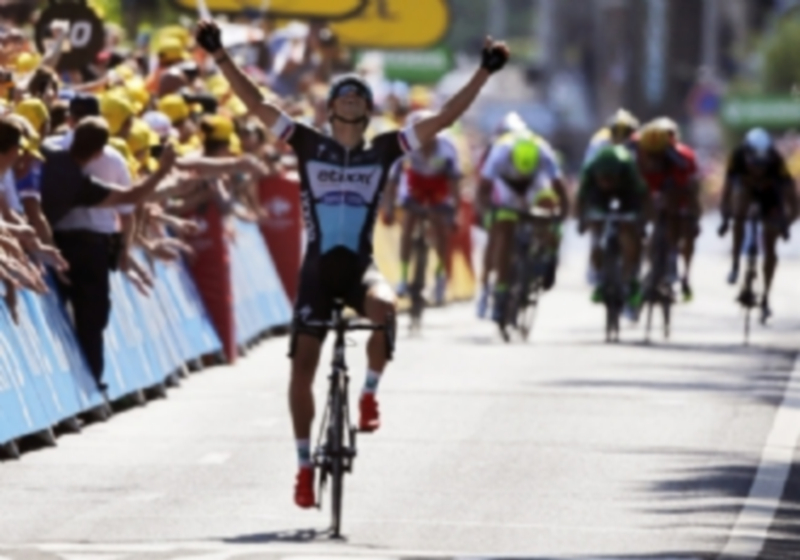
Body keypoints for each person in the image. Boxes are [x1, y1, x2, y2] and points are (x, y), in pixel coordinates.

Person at [194, 19, 509, 508]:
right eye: (344, 94)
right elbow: (256, 102)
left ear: (367, 110)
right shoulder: (306, 143)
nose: (352, 99)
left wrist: (483, 75)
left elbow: (444, 117)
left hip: (359, 267)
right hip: (317, 273)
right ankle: (303, 468)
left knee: (386, 307)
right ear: (330, 106)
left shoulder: (384, 150)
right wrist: (219, 55)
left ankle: (368, 394)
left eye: (360, 96)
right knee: (302, 370)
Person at [38, 117, 176, 391]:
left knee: (59, 313)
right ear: (99, 152)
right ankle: (90, 382)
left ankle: (72, 385)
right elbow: (131, 196)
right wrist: (162, 172)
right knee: (92, 316)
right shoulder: (77, 182)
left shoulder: (47, 153)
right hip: (79, 249)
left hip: (54, 244)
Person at [477, 130, 569, 324]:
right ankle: (501, 290)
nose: (521, 176)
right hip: (506, 187)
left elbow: (560, 188)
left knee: (548, 211)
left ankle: (546, 255)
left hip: (536, 184)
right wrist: (486, 212)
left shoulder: (543, 153)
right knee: (504, 229)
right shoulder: (500, 153)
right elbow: (482, 189)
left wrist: (560, 219)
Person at [383, 109, 462, 305]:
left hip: (439, 185)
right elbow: (392, 181)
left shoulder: (447, 147)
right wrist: (389, 208)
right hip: (415, 185)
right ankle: (402, 277)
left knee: (439, 226)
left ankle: (440, 276)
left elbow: (455, 184)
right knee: (408, 224)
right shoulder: (405, 145)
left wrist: (454, 212)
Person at [718, 128, 797, 321]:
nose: (758, 170)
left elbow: (794, 201)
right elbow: (726, 192)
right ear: (747, 155)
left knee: (770, 246)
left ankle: (766, 297)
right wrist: (725, 218)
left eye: (762, 166)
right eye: (754, 164)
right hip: (745, 191)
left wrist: (785, 224)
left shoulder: (778, 162)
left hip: (771, 198)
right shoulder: (736, 157)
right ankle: (736, 264)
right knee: (739, 212)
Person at [635, 120, 701, 301]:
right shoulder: (638, 158)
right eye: (650, 156)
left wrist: (694, 218)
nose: (653, 160)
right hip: (653, 197)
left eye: (659, 156)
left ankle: (685, 274)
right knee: (651, 232)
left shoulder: (683, 158)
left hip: (680, 197)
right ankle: (653, 265)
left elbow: (690, 191)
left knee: (685, 230)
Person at [578, 145, 649, 308]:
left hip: (627, 197)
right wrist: (582, 221)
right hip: (598, 199)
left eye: (611, 179)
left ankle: (631, 279)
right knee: (596, 236)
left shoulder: (629, 171)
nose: (607, 183)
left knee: (630, 234)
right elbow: (581, 199)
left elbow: (643, 198)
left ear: (618, 175)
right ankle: (601, 281)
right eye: (603, 179)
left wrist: (642, 221)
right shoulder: (590, 171)